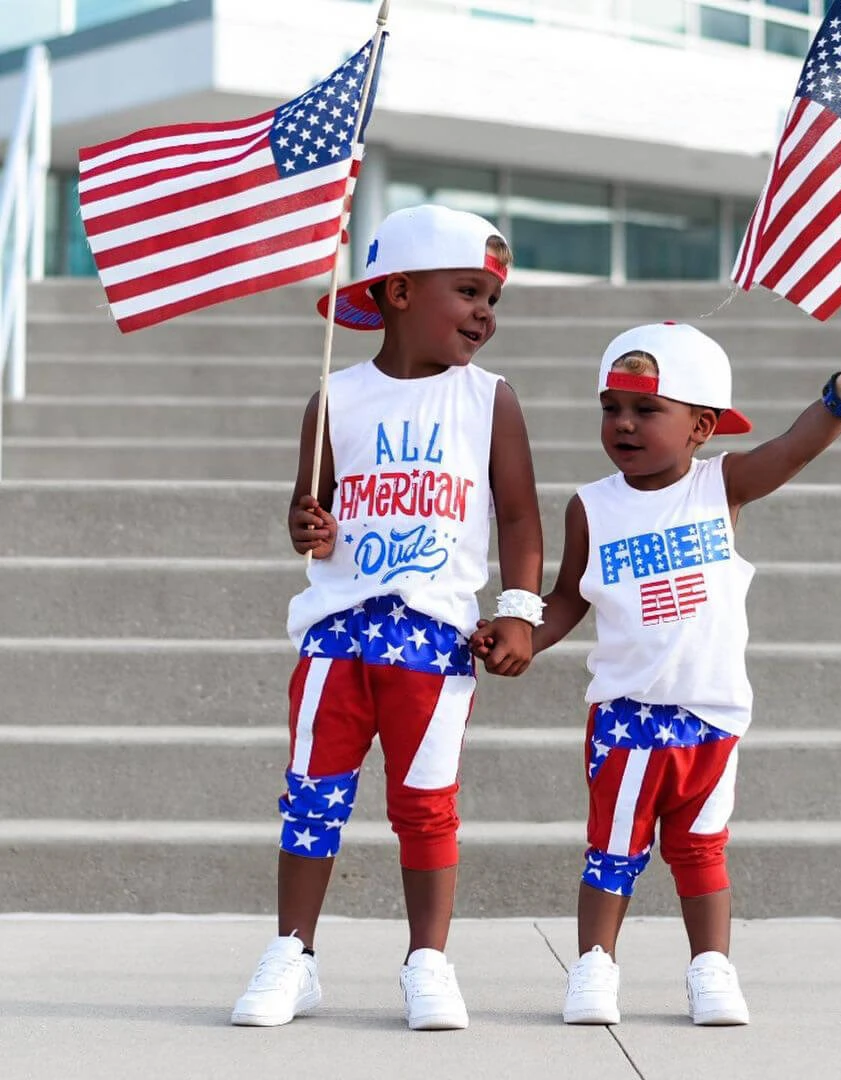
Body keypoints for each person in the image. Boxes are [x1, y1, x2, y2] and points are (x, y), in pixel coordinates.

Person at [471, 321, 841, 1027]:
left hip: (711, 714)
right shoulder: (592, 505)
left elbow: (790, 450)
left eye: (647, 410)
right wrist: (524, 637)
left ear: (701, 425)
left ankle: (711, 971)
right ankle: (594, 970)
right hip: (626, 714)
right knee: (612, 849)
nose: (624, 425)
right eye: (611, 408)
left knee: (701, 852)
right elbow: (572, 594)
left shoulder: (720, 485)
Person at [231, 204, 544, 1031]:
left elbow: (517, 518)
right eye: (469, 291)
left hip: (433, 640)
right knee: (312, 798)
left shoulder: (490, 401)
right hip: (336, 634)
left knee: (426, 803)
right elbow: (310, 509)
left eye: (493, 299)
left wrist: (518, 612)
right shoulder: (334, 397)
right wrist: (306, 523)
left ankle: (429, 961)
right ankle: (291, 955)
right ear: (399, 290)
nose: (485, 312)